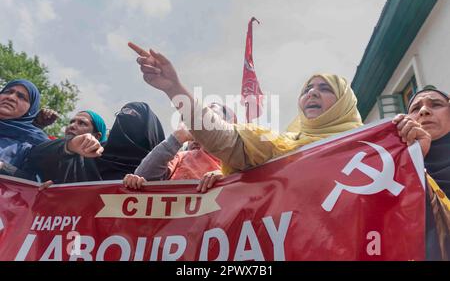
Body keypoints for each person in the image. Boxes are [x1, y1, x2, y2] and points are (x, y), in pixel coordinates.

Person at [128, 42, 363, 190]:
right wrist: (174, 88)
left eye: (325, 89)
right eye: (307, 89)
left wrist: (401, 133)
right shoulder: (277, 147)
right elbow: (225, 140)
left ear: (344, 104)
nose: (312, 93)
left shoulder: (374, 147)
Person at [25, 102, 165, 184]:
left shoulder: (162, 170)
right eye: (121, 114)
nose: (73, 126)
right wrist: (70, 146)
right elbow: (34, 156)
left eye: (133, 115)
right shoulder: (87, 159)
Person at [123, 103, 237, 190]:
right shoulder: (182, 157)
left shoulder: (239, 160)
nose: (203, 125)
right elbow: (144, 176)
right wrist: (178, 136)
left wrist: (226, 179)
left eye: (211, 119)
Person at [393, 88, 450, 260]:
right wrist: (414, 163)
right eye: (416, 109)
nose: (424, 111)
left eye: (436, 104)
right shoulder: (392, 173)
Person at [0, 79, 49, 177]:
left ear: (30, 109)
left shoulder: (36, 142)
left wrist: (3, 167)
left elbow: (36, 182)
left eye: (21, 97)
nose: (11, 97)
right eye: (8, 92)